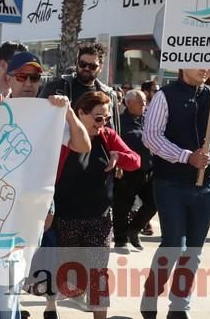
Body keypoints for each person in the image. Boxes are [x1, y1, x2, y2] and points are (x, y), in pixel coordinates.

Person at [0, 51, 91, 319]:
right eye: (22, 76)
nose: (29, 83)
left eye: (34, 77)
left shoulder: (49, 113)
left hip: (37, 209)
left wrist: (68, 113)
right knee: (5, 278)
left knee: (16, 277)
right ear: (8, 78)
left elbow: (83, 145)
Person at [140, 69, 210, 318]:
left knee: (194, 250)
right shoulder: (165, 96)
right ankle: (152, 291)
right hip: (170, 183)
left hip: (206, 185)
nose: (204, 68)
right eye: (198, 62)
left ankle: (179, 306)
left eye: (207, 62)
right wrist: (186, 157)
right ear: (183, 65)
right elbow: (151, 137)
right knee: (174, 244)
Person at [52, 91, 140, 319]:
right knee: (67, 276)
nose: (103, 124)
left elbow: (135, 161)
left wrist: (119, 156)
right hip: (66, 217)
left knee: (98, 274)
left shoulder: (107, 136)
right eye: (98, 118)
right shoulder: (62, 137)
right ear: (81, 113)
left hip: (99, 218)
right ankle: (51, 308)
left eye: (107, 118)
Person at [40, 42, 120, 133]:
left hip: (98, 145)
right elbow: (38, 119)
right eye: (82, 64)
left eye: (92, 66)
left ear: (100, 68)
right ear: (77, 63)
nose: (86, 68)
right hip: (65, 144)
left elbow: (115, 131)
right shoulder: (56, 88)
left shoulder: (109, 94)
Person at [112, 89, 156, 253]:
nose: (144, 105)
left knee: (154, 202)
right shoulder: (120, 122)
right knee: (123, 206)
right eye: (141, 102)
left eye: (145, 101)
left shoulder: (148, 120)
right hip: (127, 171)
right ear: (129, 103)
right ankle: (121, 241)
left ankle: (134, 229)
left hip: (148, 169)